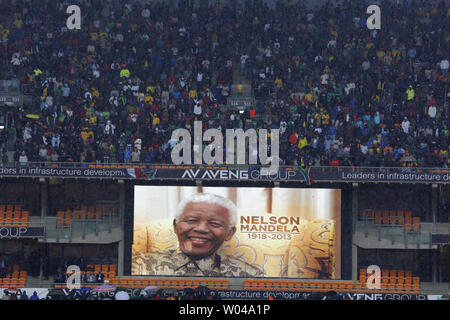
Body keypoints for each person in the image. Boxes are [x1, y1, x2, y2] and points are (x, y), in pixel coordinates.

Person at [132, 193, 264, 277]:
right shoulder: (139, 266)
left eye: (215, 224)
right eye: (191, 220)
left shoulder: (251, 276)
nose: (201, 229)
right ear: (176, 226)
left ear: (229, 233)